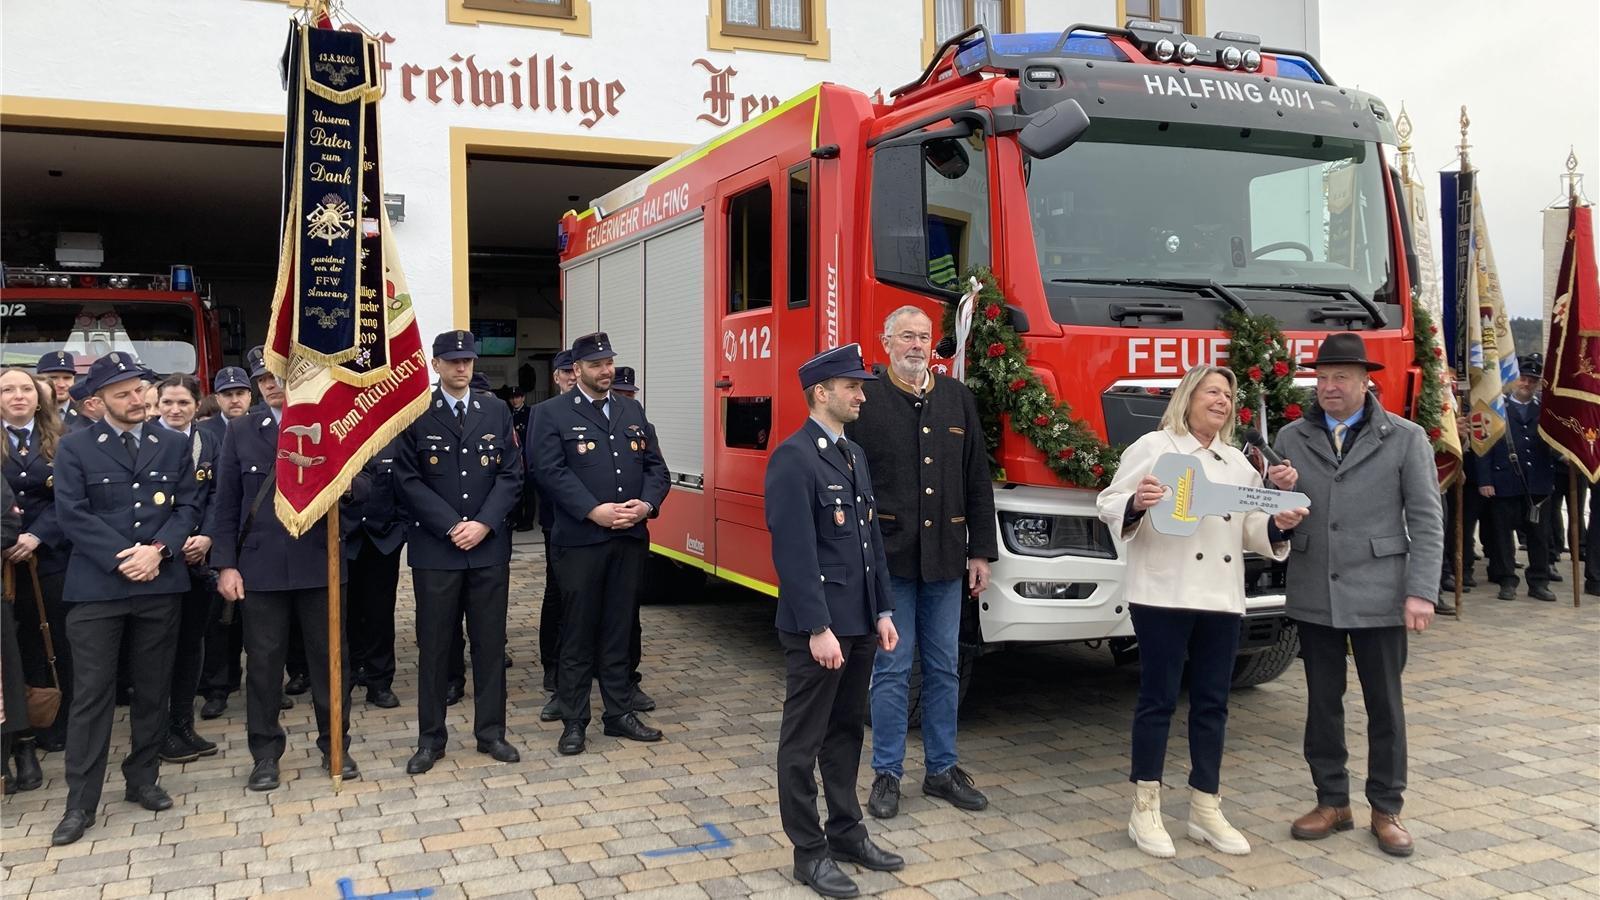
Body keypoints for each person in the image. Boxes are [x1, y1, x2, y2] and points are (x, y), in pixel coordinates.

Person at [1096, 365, 1304, 858]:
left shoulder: (1237, 463)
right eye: (1213, 391)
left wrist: (1280, 522)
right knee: (1158, 700)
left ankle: (1206, 806)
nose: (1222, 400)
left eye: (1229, 394)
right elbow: (1108, 502)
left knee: (1213, 704)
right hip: (1164, 594)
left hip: (1220, 597)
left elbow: (1254, 528)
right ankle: (1144, 806)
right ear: (1188, 397)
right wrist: (1136, 502)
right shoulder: (1154, 448)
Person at [1273, 333, 1443, 857]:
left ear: (1366, 381)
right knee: (1322, 704)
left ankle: (1386, 808)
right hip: (1315, 588)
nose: (1329, 387)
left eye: (1340, 378)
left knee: (1384, 707)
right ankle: (1332, 801)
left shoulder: (1406, 437)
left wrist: (1421, 592)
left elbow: (1426, 518)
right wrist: (1277, 506)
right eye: (1321, 379)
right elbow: (1273, 514)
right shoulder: (1290, 438)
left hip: (1382, 591)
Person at [846, 307, 997, 821]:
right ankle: (887, 773)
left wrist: (981, 550)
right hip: (890, 558)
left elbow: (977, 477)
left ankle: (942, 770)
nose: (916, 344)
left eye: (924, 336)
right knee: (890, 669)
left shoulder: (957, 398)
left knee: (943, 667)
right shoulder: (866, 401)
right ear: (884, 341)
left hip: (946, 559)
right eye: (906, 335)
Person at [765, 344, 903, 898]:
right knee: (803, 742)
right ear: (822, 393)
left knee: (846, 732)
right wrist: (818, 628)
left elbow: (869, 542)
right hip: (817, 627)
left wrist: (884, 610)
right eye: (854, 387)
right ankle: (809, 852)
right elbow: (795, 555)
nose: (862, 395)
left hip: (859, 620)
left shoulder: (853, 455)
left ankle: (846, 831)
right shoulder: (794, 458)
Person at [49, 352, 201, 846]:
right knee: (92, 696)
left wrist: (159, 551)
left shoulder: (174, 444)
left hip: (159, 583)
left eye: (139, 389)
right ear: (98, 402)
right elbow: (72, 515)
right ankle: (80, 801)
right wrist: (122, 557)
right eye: (123, 394)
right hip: (98, 587)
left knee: (153, 687)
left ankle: (143, 778)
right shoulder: (75, 448)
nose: (137, 400)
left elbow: (188, 506)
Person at [207, 354, 360, 792]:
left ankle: (336, 743)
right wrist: (226, 565)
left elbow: (364, 488)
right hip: (262, 567)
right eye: (264, 379)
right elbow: (226, 504)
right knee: (263, 665)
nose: (272, 385)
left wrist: (345, 480)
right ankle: (265, 753)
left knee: (331, 660)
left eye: (280, 376)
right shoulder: (241, 430)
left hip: (320, 561)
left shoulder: (332, 423)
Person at [530, 332, 667, 755]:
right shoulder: (551, 413)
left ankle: (619, 713)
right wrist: (593, 510)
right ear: (577, 370)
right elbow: (547, 471)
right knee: (577, 631)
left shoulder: (631, 409)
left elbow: (655, 467)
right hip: (581, 541)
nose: (605, 371)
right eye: (595, 365)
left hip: (628, 539)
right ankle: (574, 721)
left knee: (618, 627)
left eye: (609, 362)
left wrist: (645, 504)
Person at [394, 331, 524, 774]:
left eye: (467, 360)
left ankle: (492, 733)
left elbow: (510, 475)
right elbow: (407, 480)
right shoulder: (414, 413)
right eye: (452, 361)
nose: (461, 368)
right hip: (437, 551)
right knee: (435, 649)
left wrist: (483, 523)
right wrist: (452, 525)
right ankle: (430, 740)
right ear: (436, 366)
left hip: (487, 550)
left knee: (489, 646)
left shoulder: (495, 410)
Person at [149, 374, 222, 765]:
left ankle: (182, 724)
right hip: (160, 560)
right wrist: (170, 543)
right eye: (168, 403)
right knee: (158, 650)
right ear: (156, 404)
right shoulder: (144, 439)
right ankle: (157, 732)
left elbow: (217, 493)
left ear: (197, 404)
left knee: (192, 645)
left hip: (199, 559)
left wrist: (208, 536)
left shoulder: (210, 440)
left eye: (183, 403)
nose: (175, 410)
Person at [0, 367, 69, 783]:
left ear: (39, 396)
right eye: (8, 389)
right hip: (6, 564)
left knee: (55, 640)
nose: (18, 396)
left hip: (52, 555)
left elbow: (74, 498)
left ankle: (57, 722)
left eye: (26, 388)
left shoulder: (62, 440)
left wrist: (38, 535)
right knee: (16, 650)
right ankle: (25, 728)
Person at [197, 364, 257, 719]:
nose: (235, 399)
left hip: (254, 540)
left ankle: (264, 686)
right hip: (223, 535)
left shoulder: (263, 426)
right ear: (217, 398)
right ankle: (219, 687)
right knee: (221, 621)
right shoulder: (206, 433)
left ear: (250, 396)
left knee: (256, 622)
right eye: (228, 394)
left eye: (240, 393)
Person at [1476, 356, 1560, 602]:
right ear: (1514, 380)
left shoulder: (1545, 412)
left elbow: (1555, 443)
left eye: (1532, 380)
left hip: (1538, 484)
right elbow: (1484, 445)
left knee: (1539, 536)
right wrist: (1485, 480)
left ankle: (1539, 581)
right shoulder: (1497, 409)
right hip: (1504, 481)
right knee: (1503, 536)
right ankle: (1506, 580)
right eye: (1523, 378)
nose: (1527, 383)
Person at [532, 349, 577, 722]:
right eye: (565, 372)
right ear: (557, 377)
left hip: (593, 523)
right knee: (557, 592)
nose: (571, 377)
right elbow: (541, 469)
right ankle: (553, 663)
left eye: (573, 371)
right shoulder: (545, 413)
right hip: (557, 520)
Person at [607, 366, 655, 711]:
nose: (626, 398)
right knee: (578, 617)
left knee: (627, 618)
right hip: (584, 534)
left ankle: (626, 682)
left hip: (631, 532)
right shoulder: (559, 415)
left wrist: (646, 506)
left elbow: (656, 469)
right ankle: (565, 689)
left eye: (630, 394)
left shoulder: (638, 420)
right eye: (621, 393)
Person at [346, 440, 405, 709]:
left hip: (383, 538)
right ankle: (346, 675)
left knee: (380, 614)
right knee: (344, 613)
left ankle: (379, 682)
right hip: (342, 539)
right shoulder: (337, 432)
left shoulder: (391, 435)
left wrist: (401, 529)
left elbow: (406, 484)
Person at [35, 351, 81, 431]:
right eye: (53, 378)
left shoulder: (84, 413)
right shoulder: (28, 413)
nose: (62, 385)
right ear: (38, 380)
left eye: (67, 378)